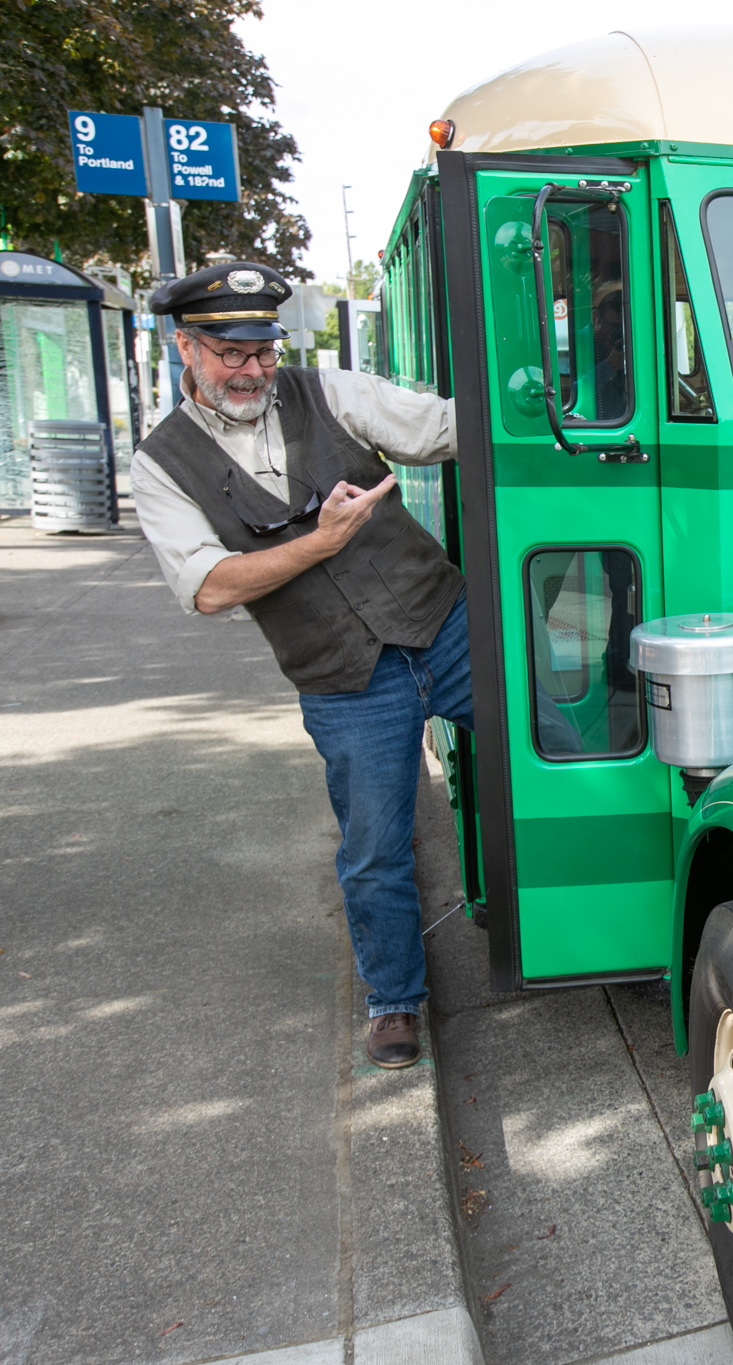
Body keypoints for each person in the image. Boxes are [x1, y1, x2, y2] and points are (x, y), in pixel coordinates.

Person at [130, 261, 468, 1070]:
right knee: (374, 845)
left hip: (442, 625)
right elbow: (209, 588)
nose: (251, 370)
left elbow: (445, 428)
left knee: (560, 744)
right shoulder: (160, 462)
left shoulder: (330, 391)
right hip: (343, 677)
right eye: (229, 353)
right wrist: (320, 542)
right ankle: (394, 1000)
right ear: (186, 347)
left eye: (262, 351)